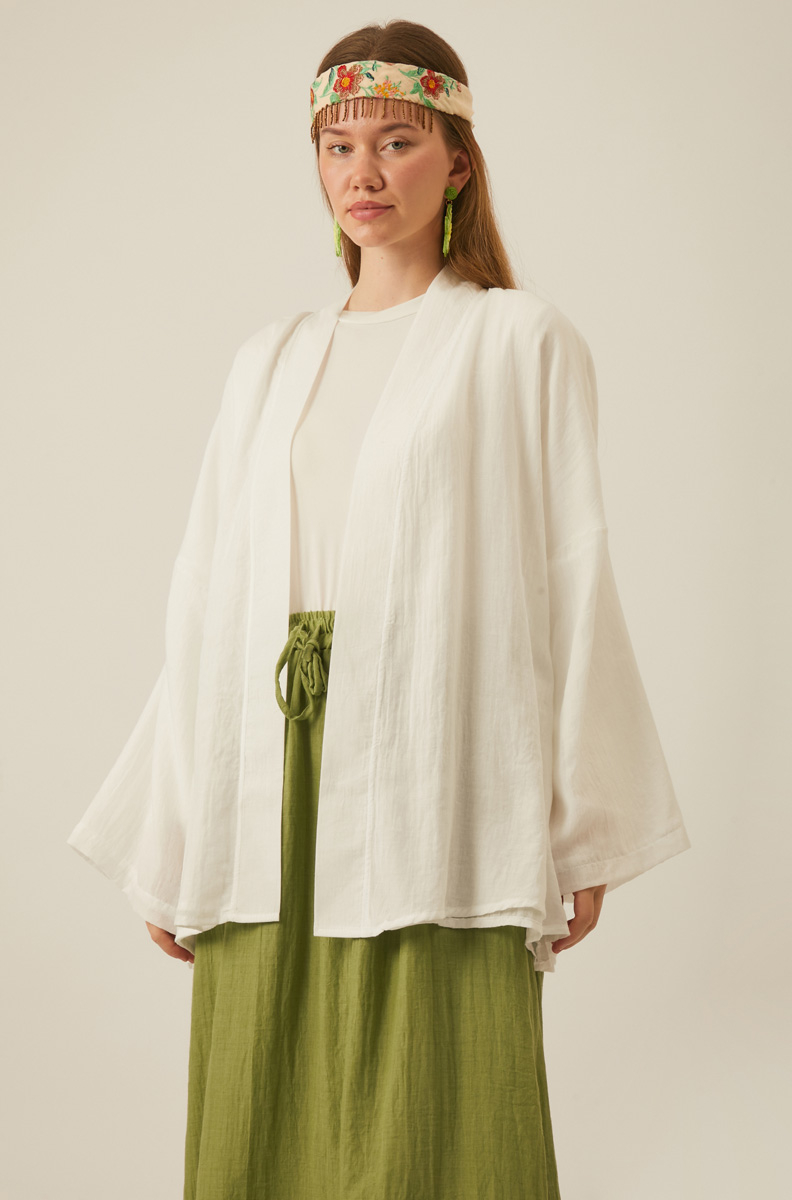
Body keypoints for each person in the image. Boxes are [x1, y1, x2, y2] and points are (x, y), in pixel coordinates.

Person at [66, 19, 691, 1200]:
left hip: (439, 762)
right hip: (267, 771)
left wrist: (583, 818)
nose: (363, 171)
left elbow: (572, 569)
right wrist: (174, 830)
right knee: (259, 1092)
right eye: (337, 144)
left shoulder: (517, 341)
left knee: (443, 1100)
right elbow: (206, 594)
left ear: (454, 160)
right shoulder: (268, 360)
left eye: (397, 141)